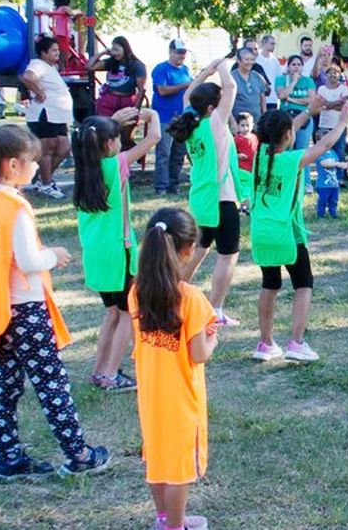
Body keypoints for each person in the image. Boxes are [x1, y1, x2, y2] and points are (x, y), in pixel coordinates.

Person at [0, 122, 110, 481]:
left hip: (0, 311)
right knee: (52, 384)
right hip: (26, 311)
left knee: (6, 386)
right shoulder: (15, 207)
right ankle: (79, 455)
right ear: (12, 165)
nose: (36, 167)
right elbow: (28, 262)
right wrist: (53, 254)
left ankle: (8, 457)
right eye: (33, 161)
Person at [130, 207, 219, 530]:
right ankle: (176, 526)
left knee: (156, 457)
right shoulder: (192, 298)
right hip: (181, 398)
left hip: (151, 393)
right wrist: (213, 338)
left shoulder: (137, 292)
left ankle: (165, 518)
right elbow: (198, 354)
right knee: (180, 467)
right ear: (187, 250)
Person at [249, 101, 348, 363]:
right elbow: (325, 145)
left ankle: (265, 343)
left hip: (261, 231)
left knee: (269, 284)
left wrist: (310, 111)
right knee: (304, 284)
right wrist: (342, 120)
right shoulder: (291, 160)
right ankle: (296, 342)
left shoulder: (261, 154)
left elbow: (282, 129)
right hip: (284, 231)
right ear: (287, 135)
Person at [72, 107, 164, 393]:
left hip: (96, 253)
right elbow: (156, 137)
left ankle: (100, 370)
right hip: (118, 251)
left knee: (112, 312)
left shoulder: (84, 170)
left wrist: (113, 122)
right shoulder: (114, 166)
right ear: (110, 145)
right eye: (117, 139)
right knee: (127, 313)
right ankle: (111, 375)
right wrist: (150, 114)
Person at [169, 57, 242, 325]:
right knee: (228, 254)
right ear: (213, 107)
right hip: (221, 198)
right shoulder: (214, 124)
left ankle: (171, 295)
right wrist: (222, 64)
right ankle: (216, 309)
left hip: (201, 197)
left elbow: (189, 93)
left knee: (199, 249)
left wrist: (205, 72)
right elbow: (231, 86)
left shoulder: (192, 123)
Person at [19, 36, 74, 199]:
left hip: (58, 116)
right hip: (45, 114)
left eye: (58, 50)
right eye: (54, 51)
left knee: (64, 148)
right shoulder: (38, 64)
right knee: (48, 149)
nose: (58, 53)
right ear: (43, 53)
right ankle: (46, 184)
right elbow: (27, 76)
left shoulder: (50, 67)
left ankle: (43, 179)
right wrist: (39, 92)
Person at [151, 40, 194, 195]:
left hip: (182, 117)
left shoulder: (186, 70)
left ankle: (173, 184)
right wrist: (185, 85)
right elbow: (162, 90)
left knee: (178, 153)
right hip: (164, 116)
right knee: (164, 153)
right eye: (178, 52)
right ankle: (161, 186)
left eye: (184, 52)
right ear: (170, 51)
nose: (182, 55)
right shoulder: (161, 69)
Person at [92, 36, 148, 123]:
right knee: (105, 129)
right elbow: (90, 66)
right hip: (109, 101)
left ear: (125, 49)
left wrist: (135, 110)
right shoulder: (111, 62)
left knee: (125, 131)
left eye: (117, 50)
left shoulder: (137, 65)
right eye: (113, 50)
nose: (114, 53)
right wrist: (102, 53)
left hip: (126, 100)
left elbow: (141, 90)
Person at [315, 64, 348, 177]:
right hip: (324, 124)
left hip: (339, 125)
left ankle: (339, 177)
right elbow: (321, 103)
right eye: (330, 72)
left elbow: (344, 105)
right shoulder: (321, 89)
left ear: (339, 75)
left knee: (340, 151)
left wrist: (328, 105)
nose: (333, 75)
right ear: (325, 75)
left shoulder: (344, 88)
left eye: (335, 72)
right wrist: (337, 102)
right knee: (324, 151)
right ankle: (325, 174)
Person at [230, 47, 271, 127]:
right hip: (239, 126)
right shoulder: (231, 77)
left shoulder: (257, 76)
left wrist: (265, 119)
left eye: (252, 59)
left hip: (256, 124)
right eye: (247, 59)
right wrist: (232, 122)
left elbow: (263, 101)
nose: (250, 62)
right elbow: (226, 103)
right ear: (238, 60)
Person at [233, 111, 258, 210]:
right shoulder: (237, 139)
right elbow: (230, 154)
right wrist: (238, 155)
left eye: (248, 125)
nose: (246, 128)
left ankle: (249, 204)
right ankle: (242, 205)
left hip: (252, 168)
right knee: (243, 189)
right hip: (241, 169)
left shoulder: (254, 137)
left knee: (250, 187)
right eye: (243, 125)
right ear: (238, 126)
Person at [256, 36, 284, 110]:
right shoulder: (256, 58)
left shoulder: (275, 61)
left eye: (274, 44)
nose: (273, 46)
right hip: (258, 97)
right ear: (264, 43)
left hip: (272, 98)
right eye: (271, 44)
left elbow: (279, 77)